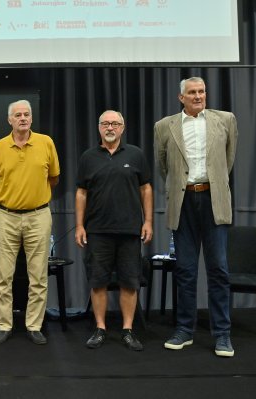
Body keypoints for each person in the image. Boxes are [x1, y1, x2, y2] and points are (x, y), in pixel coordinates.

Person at [154, 77, 238, 357]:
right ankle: (184, 330)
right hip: (184, 200)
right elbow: (164, 165)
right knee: (185, 270)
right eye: (192, 92)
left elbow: (228, 159)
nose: (198, 96)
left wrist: (212, 182)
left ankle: (223, 334)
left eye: (201, 91)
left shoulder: (225, 120)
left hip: (214, 199)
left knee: (219, 270)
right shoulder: (165, 126)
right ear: (181, 98)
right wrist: (183, 186)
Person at [75, 110, 153, 351]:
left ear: (122, 127)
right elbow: (81, 193)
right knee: (98, 282)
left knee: (129, 282)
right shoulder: (88, 157)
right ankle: (100, 328)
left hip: (130, 231)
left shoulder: (136, 154)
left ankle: (128, 330)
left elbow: (146, 189)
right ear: (99, 128)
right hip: (97, 231)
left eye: (115, 123)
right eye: (105, 124)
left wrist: (148, 221)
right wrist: (79, 225)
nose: (110, 127)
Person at [0, 100, 60, 345]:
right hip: (5, 216)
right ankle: (4, 325)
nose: (23, 118)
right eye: (18, 115)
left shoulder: (46, 142)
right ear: (9, 120)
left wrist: (32, 197)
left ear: (31, 118)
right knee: (3, 276)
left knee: (38, 275)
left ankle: (34, 325)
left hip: (38, 216)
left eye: (26, 114)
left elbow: (54, 178)